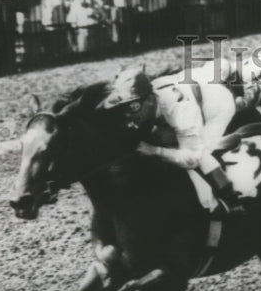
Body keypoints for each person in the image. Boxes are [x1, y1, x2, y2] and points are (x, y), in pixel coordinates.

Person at [98, 60, 244, 214]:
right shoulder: (146, 100)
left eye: (133, 107)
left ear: (148, 101)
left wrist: (155, 151)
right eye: (124, 108)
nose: (128, 114)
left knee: (202, 155)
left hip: (217, 107)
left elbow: (191, 159)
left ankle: (229, 200)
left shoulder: (180, 112)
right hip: (193, 87)